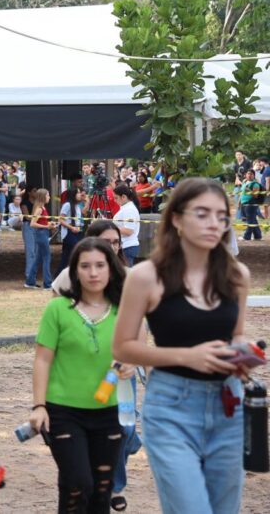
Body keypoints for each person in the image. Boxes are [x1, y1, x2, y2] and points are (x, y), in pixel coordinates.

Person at [113, 177, 252, 514]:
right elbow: (122, 347)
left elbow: (236, 334)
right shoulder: (146, 276)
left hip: (228, 404)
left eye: (221, 216)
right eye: (202, 213)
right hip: (172, 406)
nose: (214, 223)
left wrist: (242, 356)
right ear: (176, 218)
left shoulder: (237, 275)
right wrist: (187, 356)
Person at [29, 237, 129, 513]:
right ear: (74, 271)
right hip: (63, 412)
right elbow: (42, 359)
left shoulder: (124, 310)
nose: (93, 273)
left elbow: (135, 352)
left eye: (100, 265)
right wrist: (39, 406)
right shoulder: (57, 309)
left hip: (110, 411)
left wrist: (131, 364)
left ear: (111, 268)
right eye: (85, 266)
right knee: (77, 484)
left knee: (101, 490)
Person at [25, 188, 54, 290]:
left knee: (38, 259)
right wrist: (47, 227)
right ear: (43, 197)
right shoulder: (39, 209)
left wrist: (49, 224)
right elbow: (32, 223)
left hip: (43, 233)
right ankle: (47, 284)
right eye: (48, 195)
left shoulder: (43, 208)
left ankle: (30, 281)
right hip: (41, 234)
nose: (49, 197)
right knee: (47, 258)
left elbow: (42, 222)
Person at [112, 185, 141, 266]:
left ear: (123, 197)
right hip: (125, 246)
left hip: (127, 246)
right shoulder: (126, 208)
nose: (114, 200)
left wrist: (111, 227)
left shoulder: (129, 210)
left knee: (126, 274)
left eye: (116, 198)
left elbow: (129, 231)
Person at [58, 188, 86, 272]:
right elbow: (61, 220)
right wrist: (71, 227)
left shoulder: (77, 205)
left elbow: (84, 213)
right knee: (77, 250)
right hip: (69, 232)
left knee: (65, 257)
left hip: (77, 231)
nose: (80, 194)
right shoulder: (67, 205)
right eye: (78, 193)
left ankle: (58, 276)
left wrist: (87, 201)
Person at [239, 169, 263, 241]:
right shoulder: (245, 182)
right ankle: (258, 236)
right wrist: (239, 202)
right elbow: (241, 193)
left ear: (254, 175)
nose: (249, 175)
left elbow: (256, 196)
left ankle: (246, 237)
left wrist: (249, 191)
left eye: (251, 174)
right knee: (253, 220)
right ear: (245, 175)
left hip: (251, 204)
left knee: (250, 221)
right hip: (244, 203)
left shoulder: (255, 184)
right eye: (248, 174)